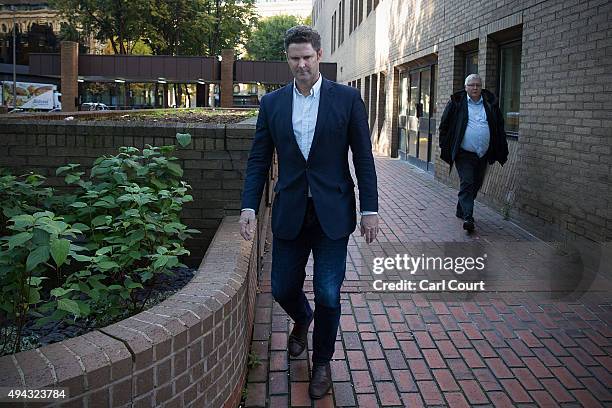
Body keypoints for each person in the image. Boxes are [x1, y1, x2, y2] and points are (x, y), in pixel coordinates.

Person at [239, 25, 379, 399]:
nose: (301, 64)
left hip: (333, 212)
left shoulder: (347, 99)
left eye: (307, 57)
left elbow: (363, 158)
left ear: (319, 55)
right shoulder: (272, 104)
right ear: (287, 59)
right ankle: (302, 319)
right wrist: (249, 205)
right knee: (283, 286)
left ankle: (322, 364)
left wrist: (370, 209)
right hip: (291, 211)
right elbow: (258, 159)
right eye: (294, 58)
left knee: (329, 294)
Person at [438, 73, 509, 232]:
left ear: (481, 86)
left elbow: (499, 127)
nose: (475, 87)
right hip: (464, 153)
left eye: (478, 84)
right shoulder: (457, 103)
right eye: (471, 85)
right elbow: (444, 126)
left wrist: (502, 147)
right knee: (467, 181)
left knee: (476, 184)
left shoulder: (490, 103)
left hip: (483, 153)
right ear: (466, 87)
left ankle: (461, 208)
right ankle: (468, 217)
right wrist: (445, 146)